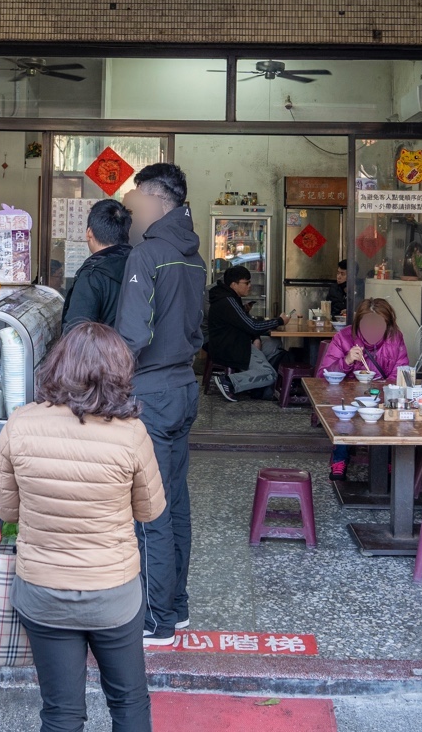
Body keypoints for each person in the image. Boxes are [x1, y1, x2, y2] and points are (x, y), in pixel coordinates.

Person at [0, 323, 165, 732]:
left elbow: (6, 509)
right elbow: (150, 511)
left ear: (57, 365)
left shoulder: (20, 424)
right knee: (128, 702)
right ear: (119, 372)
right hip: (113, 594)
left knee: (60, 713)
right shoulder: (131, 434)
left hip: (42, 592)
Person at [114, 163, 205, 647]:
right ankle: (178, 606)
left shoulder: (147, 255)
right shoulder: (194, 256)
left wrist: (105, 385)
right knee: (176, 502)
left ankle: (156, 619)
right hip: (185, 388)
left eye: (134, 206)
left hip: (149, 394)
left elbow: (132, 335)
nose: (131, 216)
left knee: (149, 509)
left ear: (154, 199)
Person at [318, 297, 409, 480]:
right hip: (348, 393)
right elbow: (323, 375)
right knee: (345, 413)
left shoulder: (395, 338)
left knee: (392, 412)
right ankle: (340, 458)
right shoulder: (343, 337)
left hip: (381, 393)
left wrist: (386, 390)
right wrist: (347, 360)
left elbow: (401, 373)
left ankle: (388, 460)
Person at [206, 266, 290, 403]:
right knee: (270, 374)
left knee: (274, 343)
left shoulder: (229, 297)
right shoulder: (228, 301)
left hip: (236, 341)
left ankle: (256, 382)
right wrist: (279, 321)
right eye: (246, 283)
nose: (250, 286)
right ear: (234, 284)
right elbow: (252, 326)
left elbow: (247, 325)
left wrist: (256, 337)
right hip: (232, 347)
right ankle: (229, 382)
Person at [62, 199, 132, 332]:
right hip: (134, 350)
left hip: (103, 351)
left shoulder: (91, 275)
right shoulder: (140, 263)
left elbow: (77, 332)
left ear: (89, 232)